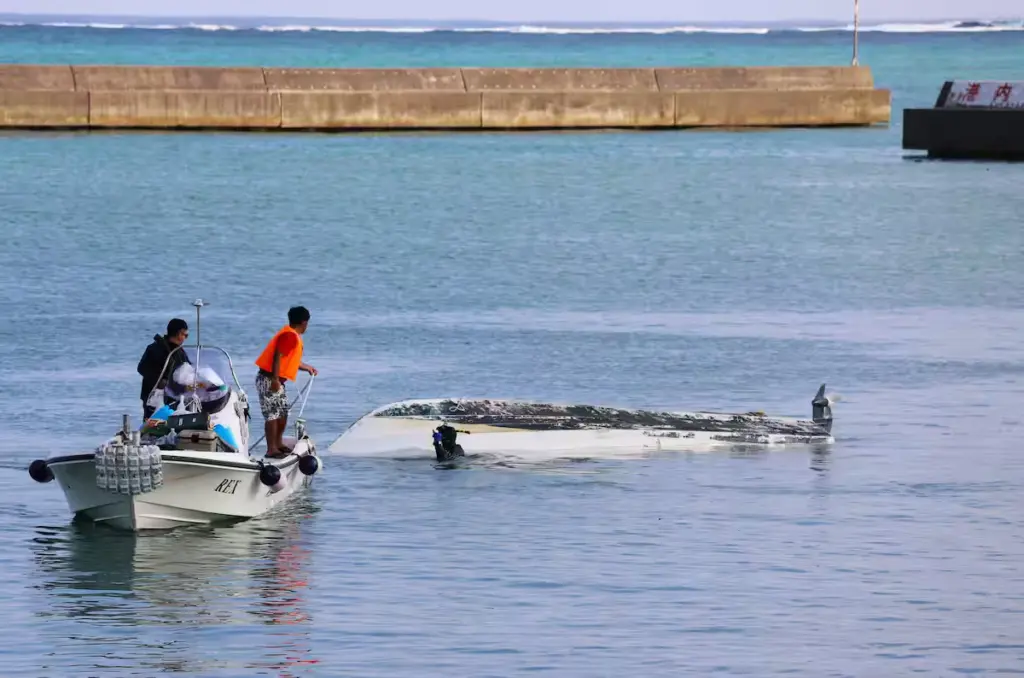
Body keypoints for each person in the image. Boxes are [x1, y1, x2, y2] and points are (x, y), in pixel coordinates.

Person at [254, 306, 318, 458]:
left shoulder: (292, 335)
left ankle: (278, 443)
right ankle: (271, 449)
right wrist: (275, 379)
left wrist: (307, 367)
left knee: (283, 412)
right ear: (304, 322)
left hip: (276, 380)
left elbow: (290, 361)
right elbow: (278, 356)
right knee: (272, 415)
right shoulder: (289, 336)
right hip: (268, 379)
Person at [137, 318, 191, 420]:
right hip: (153, 398)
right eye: (185, 335)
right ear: (179, 334)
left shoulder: (180, 352)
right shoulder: (154, 349)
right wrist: (160, 381)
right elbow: (141, 368)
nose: (185, 338)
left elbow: (189, 370)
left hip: (175, 398)